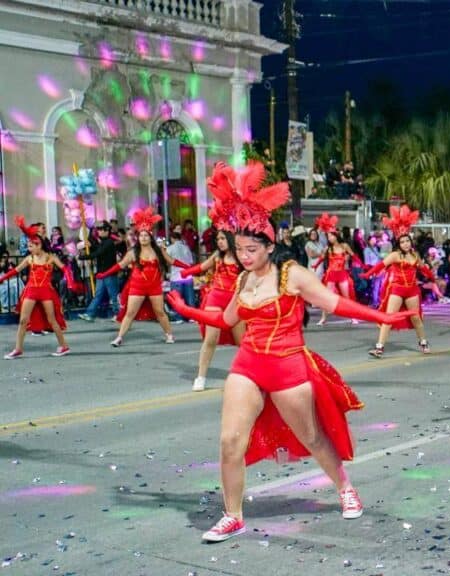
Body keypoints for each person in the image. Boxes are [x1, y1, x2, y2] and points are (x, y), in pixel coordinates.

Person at [165, 161, 415, 543]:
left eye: (251, 249)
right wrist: (186, 310)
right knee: (230, 441)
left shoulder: (291, 274)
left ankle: (345, 487)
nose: (244, 256)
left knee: (312, 437)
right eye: (239, 249)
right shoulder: (243, 279)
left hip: (287, 365)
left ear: (270, 245)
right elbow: (224, 319)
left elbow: (334, 303)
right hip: (248, 364)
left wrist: (381, 316)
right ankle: (233, 515)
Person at [174, 228, 245, 392]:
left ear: (231, 239)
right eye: (218, 239)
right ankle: (201, 377)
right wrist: (186, 272)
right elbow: (202, 267)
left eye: (223, 238)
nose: (219, 242)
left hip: (235, 301)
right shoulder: (217, 256)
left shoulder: (241, 256)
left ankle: (245, 375)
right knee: (210, 339)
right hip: (215, 298)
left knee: (242, 343)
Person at [360, 205, 435, 358]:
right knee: (388, 317)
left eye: (407, 241)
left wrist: (432, 277)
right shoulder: (395, 255)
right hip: (397, 289)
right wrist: (367, 274)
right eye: (402, 242)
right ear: (398, 244)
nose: (406, 244)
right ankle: (379, 348)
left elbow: (423, 268)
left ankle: (423, 342)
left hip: (412, 290)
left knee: (416, 317)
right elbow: (380, 266)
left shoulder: (415, 255)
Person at [98, 208, 176, 346]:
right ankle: (119, 338)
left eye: (146, 235)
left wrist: (189, 268)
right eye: (141, 235)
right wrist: (105, 274)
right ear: (138, 238)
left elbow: (171, 261)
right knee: (130, 313)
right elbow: (120, 265)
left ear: (150, 237)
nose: (143, 238)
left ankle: (169, 334)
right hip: (137, 287)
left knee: (160, 312)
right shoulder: (133, 252)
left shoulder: (158, 251)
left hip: (154, 287)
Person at [2, 217, 71, 358]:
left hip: (46, 291)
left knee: (52, 320)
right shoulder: (30, 258)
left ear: (39, 245)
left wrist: (70, 281)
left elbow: (65, 268)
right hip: (31, 290)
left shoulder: (51, 257)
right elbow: (15, 270)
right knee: (23, 320)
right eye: (29, 246)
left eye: (32, 246)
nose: (30, 248)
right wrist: (2, 279)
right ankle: (18, 349)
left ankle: (63, 346)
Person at [314, 214, 362, 326]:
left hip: (342, 274)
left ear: (336, 235)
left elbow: (353, 255)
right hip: (331, 274)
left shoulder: (344, 246)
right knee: (327, 297)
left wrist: (362, 265)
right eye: (328, 236)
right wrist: (315, 265)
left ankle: (353, 317)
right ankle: (323, 318)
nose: (329, 238)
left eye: (331, 236)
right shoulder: (328, 248)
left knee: (347, 297)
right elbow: (321, 258)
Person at [78, 222, 121, 321]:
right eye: (99, 229)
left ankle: (118, 314)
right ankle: (90, 314)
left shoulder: (109, 242)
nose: (99, 231)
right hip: (101, 273)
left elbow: (98, 253)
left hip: (109, 273)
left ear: (107, 231)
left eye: (102, 229)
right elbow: (98, 249)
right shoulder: (103, 242)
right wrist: (90, 245)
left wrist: (83, 257)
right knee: (98, 295)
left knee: (114, 295)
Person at [166, 231, 195, 315]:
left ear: (172, 238)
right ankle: (191, 317)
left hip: (176, 277)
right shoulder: (186, 248)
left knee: (177, 299)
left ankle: (178, 317)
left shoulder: (170, 248)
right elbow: (191, 262)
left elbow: (168, 262)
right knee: (190, 299)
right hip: (188, 276)